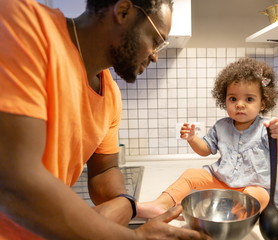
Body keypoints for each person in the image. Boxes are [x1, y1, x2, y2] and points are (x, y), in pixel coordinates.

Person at [0, 0, 210, 239]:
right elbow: (14, 181)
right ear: (123, 11)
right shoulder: (23, 24)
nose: (155, 57)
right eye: (155, 39)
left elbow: (104, 170)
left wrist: (126, 203)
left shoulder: (110, 93)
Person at [137, 58, 278, 219]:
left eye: (249, 99)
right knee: (190, 174)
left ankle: (231, 216)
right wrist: (192, 138)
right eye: (233, 98)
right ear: (224, 100)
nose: (239, 104)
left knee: (260, 196)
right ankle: (160, 204)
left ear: (263, 104)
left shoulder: (267, 127)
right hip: (222, 180)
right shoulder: (221, 126)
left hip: (253, 184)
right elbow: (205, 150)